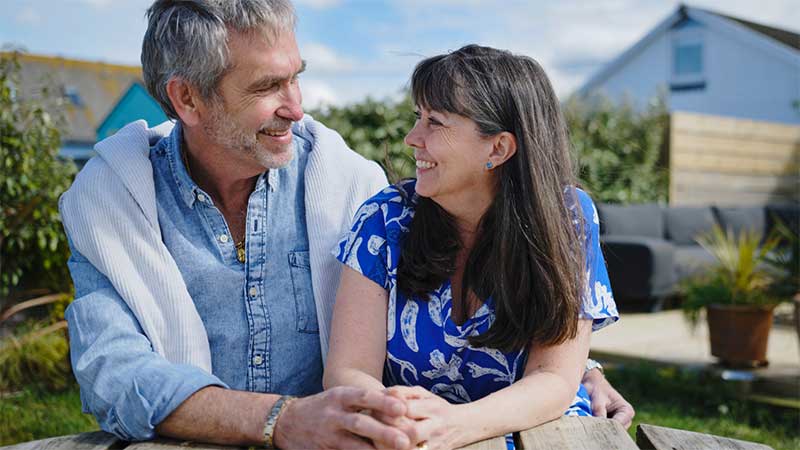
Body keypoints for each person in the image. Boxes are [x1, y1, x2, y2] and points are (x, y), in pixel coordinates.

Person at [58, 1, 633, 449]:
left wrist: (573, 372)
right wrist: (281, 420)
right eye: (266, 87)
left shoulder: (344, 181)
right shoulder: (113, 204)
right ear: (188, 99)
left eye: (295, 78)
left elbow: (514, 290)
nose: (296, 106)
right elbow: (114, 373)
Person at [324, 45, 620, 450]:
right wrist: (397, 419)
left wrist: (455, 424)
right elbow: (348, 369)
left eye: (436, 123)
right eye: (418, 118)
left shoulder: (568, 218)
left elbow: (554, 379)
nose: (413, 139)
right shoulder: (385, 219)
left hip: (540, 436)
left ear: (497, 148)